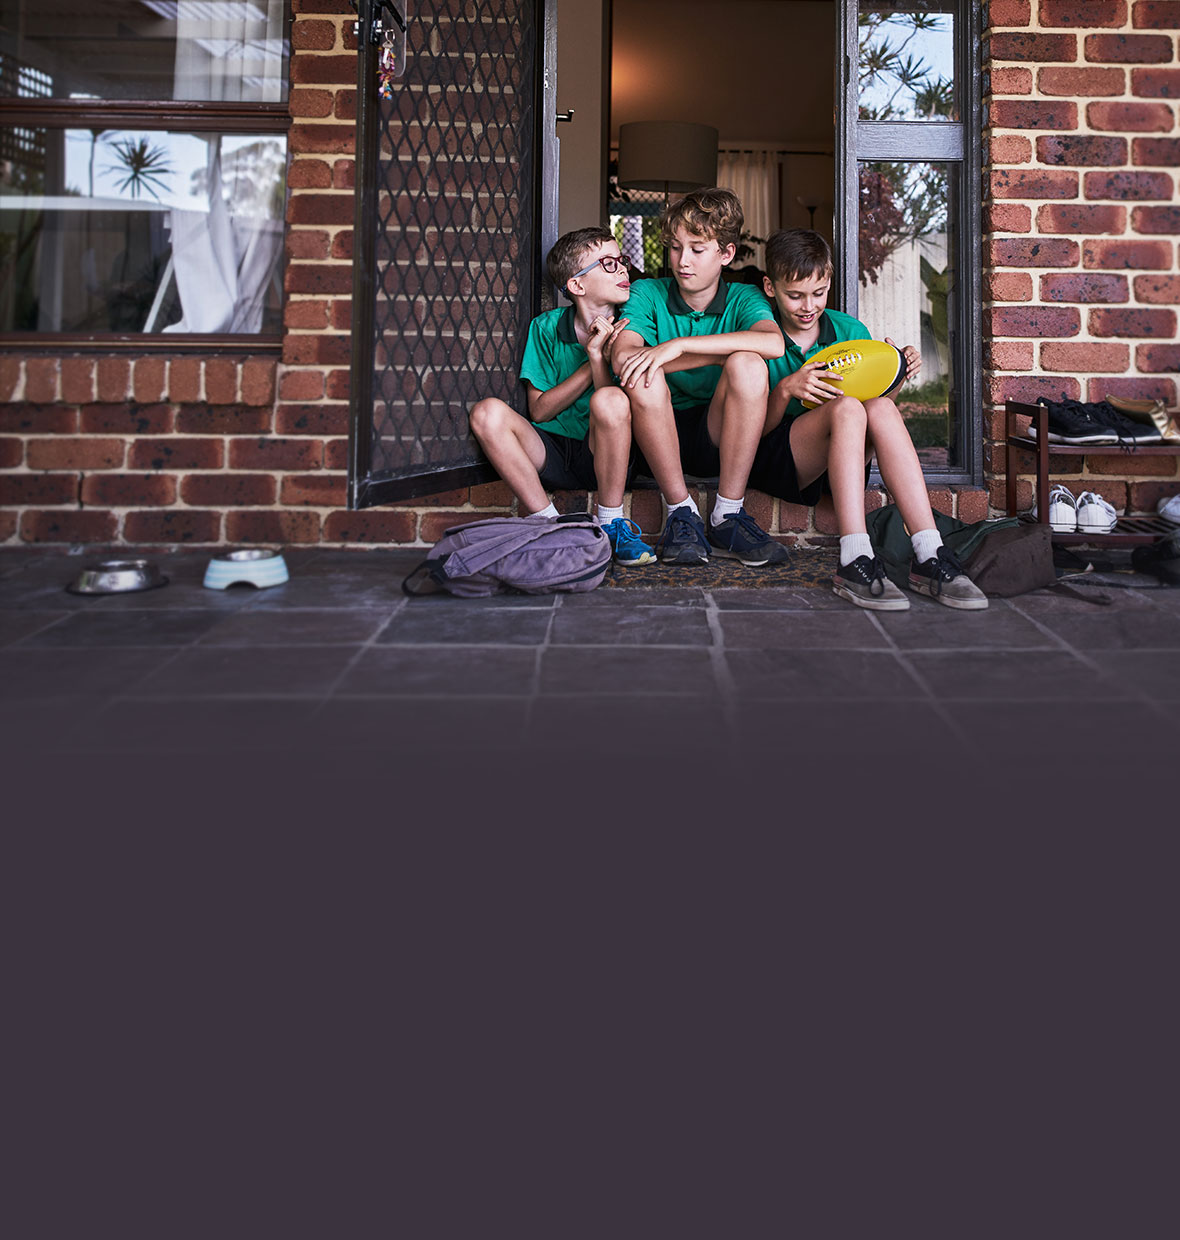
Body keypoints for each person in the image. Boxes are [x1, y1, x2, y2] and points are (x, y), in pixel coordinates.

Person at [753, 228, 987, 610]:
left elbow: (877, 407)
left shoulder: (848, 331)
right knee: (847, 407)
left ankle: (929, 552)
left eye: (818, 293)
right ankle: (854, 557)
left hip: (840, 463)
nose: (808, 306)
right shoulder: (760, 333)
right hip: (779, 459)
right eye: (794, 296)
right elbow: (753, 432)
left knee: (879, 407)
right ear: (770, 287)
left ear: (829, 283)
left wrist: (897, 374)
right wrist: (785, 390)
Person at [610, 188, 789, 566]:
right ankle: (680, 511)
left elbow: (773, 344)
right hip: (655, 434)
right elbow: (624, 359)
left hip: (718, 434)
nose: (682, 260)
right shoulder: (647, 292)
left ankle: (728, 514)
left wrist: (678, 348)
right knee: (642, 373)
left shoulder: (744, 297)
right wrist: (693, 356)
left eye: (697, 248)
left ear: (726, 254)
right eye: (675, 247)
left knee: (749, 363)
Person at [468, 226, 656, 566]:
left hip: (607, 453)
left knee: (611, 402)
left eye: (622, 260)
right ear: (576, 285)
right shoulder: (546, 327)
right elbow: (538, 412)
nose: (623, 268)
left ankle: (611, 522)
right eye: (608, 264)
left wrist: (600, 357)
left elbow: (613, 405)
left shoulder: (633, 327)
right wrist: (590, 360)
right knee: (486, 413)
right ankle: (548, 524)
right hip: (552, 449)